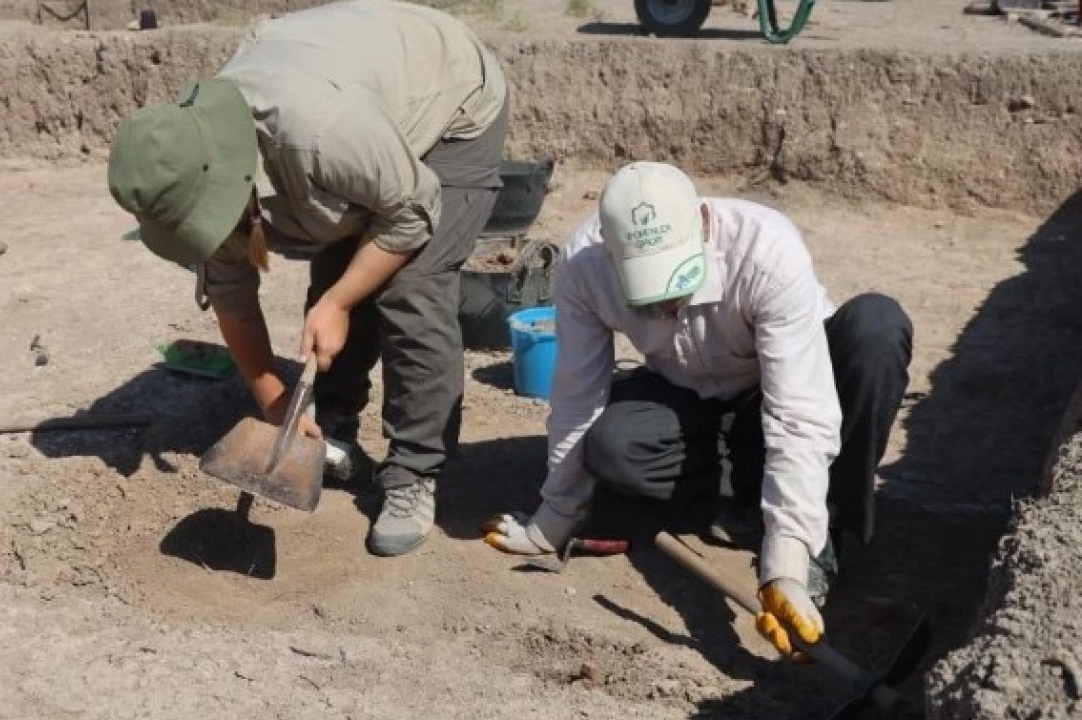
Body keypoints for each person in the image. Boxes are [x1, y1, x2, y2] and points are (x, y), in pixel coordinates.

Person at [106, 0, 509, 557]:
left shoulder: (319, 133)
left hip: (448, 103)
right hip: (359, 118)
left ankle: (413, 472)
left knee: (408, 287)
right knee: (342, 260)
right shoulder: (192, 161)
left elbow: (412, 211)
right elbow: (233, 298)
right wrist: (274, 402)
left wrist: (342, 301)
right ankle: (333, 419)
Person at [483, 162, 913, 658]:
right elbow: (578, 396)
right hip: (693, 405)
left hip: (785, 387)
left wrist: (787, 563)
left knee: (876, 330)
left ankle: (825, 534)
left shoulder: (765, 250)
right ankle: (754, 499)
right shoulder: (584, 267)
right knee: (611, 444)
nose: (668, 307)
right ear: (609, 247)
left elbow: (797, 413)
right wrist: (552, 519)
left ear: (704, 225)